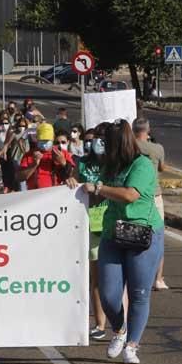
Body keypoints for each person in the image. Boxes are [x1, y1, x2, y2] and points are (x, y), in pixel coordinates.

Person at [84, 120, 164, 364]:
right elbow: (83, 179)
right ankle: (119, 330)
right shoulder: (109, 165)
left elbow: (130, 195)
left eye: (107, 143)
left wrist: (99, 188)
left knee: (139, 293)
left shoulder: (142, 165)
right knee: (108, 294)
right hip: (113, 234)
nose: (103, 147)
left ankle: (132, 345)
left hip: (143, 235)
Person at [69, 124, 111, 341]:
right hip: (91, 223)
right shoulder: (82, 162)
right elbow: (73, 182)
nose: (95, 143)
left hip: (113, 223)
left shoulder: (114, 163)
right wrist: (72, 182)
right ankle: (100, 323)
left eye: (99, 139)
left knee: (115, 277)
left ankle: (122, 324)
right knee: (96, 277)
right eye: (91, 140)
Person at [133, 118, 168, 291]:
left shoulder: (128, 147)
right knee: (158, 236)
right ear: (148, 130)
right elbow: (162, 168)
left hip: (134, 193)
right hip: (154, 194)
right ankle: (158, 278)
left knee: (131, 234)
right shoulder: (158, 148)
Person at [16, 122, 74, 190]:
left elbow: (73, 175)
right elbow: (19, 177)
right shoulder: (29, 155)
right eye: (42, 140)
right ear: (37, 139)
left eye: (47, 140)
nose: (44, 143)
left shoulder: (61, 153)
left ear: (53, 138)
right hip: (34, 195)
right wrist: (34, 165)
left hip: (55, 194)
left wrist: (63, 162)